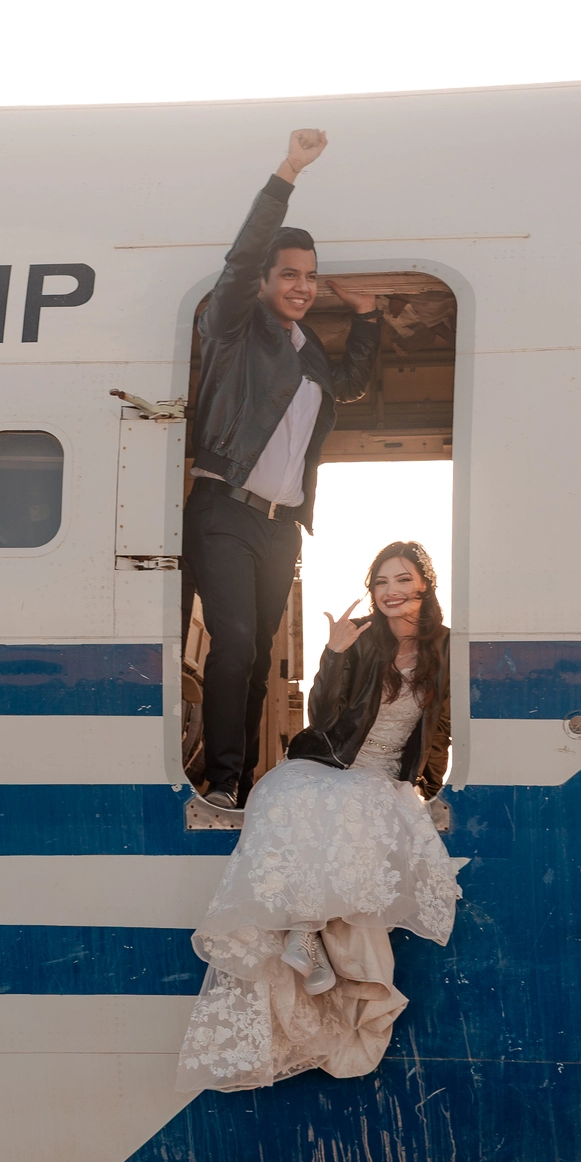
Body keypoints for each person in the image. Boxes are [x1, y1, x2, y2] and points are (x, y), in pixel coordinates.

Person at [176, 541, 466, 1092]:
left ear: (424, 584)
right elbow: (323, 717)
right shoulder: (364, 638)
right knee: (286, 795)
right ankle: (305, 934)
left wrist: (426, 788)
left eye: (402, 579)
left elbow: (443, 728)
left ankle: (307, 935)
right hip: (332, 763)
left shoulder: (449, 648)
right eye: (380, 582)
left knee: (353, 813)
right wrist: (333, 656)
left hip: (385, 775)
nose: (390, 591)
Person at [185, 129, 384, 811]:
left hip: (279, 527)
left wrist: (367, 318)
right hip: (226, 509)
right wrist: (288, 173)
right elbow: (240, 258)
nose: (302, 286)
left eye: (310, 276)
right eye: (290, 274)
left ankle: (242, 783)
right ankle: (221, 781)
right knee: (236, 642)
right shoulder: (235, 330)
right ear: (265, 282)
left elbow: (349, 385)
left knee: (257, 657)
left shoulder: (307, 349)